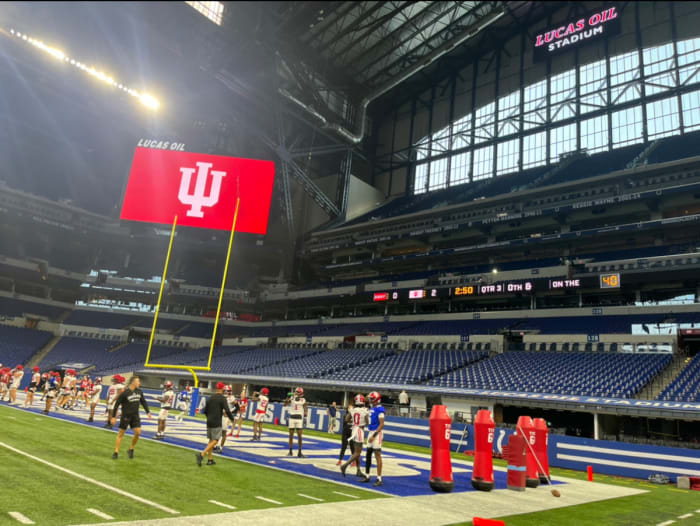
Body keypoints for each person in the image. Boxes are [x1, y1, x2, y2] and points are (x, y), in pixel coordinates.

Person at [111, 376, 152, 460]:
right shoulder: (125, 393)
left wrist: (148, 412)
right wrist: (114, 417)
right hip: (126, 416)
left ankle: (131, 449)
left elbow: (143, 402)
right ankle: (116, 451)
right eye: (138, 381)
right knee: (121, 434)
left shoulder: (139, 391)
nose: (139, 383)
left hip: (135, 416)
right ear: (133, 382)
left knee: (138, 433)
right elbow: (116, 404)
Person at [196, 382, 236, 467]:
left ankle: (210, 459)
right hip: (217, 421)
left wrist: (209, 417)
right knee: (216, 440)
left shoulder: (211, 397)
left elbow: (205, 410)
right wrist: (232, 419)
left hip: (209, 420)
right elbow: (227, 410)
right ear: (223, 389)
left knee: (211, 440)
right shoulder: (222, 398)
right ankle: (202, 454)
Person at [339, 394, 369, 481]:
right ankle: (345, 465)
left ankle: (358, 470)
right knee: (357, 453)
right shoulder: (365, 410)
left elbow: (346, 420)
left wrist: (355, 421)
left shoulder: (353, 410)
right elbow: (367, 423)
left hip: (353, 429)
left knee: (356, 452)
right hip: (359, 430)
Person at [362, 391, 386, 487]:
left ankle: (379, 478)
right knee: (368, 454)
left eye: (372, 398)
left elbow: (382, 424)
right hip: (371, 431)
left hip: (377, 433)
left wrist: (374, 435)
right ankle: (367, 475)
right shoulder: (372, 408)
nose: (370, 400)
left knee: (377, 455)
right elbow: (369, 423)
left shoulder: (380, 409)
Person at [284, 387, 307, 457]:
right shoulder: (292, 398)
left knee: (300, 436)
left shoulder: (303, 399)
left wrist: (305, 417)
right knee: (291, 436)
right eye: (296, 391)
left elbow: (305, 409)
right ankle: (290, 451)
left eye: (297, 392)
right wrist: (288, 397)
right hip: (292, 417)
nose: (296, 392)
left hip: (299, 418)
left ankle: (299, 452)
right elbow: (285, 404)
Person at [216, 385, 239, 452]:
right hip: (219, 415)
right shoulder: (221, 396)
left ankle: (221, 447)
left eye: (228, 391)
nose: (226, 392)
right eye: (225, 390)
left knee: (223, 432)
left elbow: (237, 407)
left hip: (225, 417)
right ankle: (215, 445)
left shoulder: (231, 398)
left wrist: (229, 412)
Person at [337, 400, 354, 466]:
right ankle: (340, 460)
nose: (350, 409)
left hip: (352, 433)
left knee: (352, 447)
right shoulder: (345, 415)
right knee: (343, 447)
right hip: (345, 432)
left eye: (351, 408)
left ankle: (353, 461)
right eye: (349, 408)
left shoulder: (355, 416)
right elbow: (345, 422)